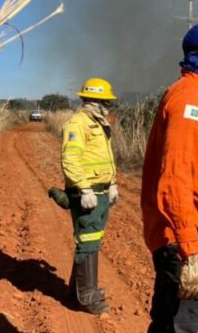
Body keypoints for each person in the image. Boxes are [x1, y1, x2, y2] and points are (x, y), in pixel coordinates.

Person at [141, 22, 198, 332]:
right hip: (186, 234)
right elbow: (176, 178)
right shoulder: (190, 100)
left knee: (169, 324)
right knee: (194, 327)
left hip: (184, 233)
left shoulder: (195, 96)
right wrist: (191, 252)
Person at [61, 77, 119, 314]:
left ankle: (78, 290)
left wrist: (112, 183)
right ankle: (87, 297)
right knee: (87, 242)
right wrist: (84, 188)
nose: (108, 107)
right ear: (93, 101)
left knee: (93, 240)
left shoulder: (99, 124)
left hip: (102, 192)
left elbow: (105, 159)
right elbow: (70, 159)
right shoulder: (78, 124)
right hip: (89, 194)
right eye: (105, 102)